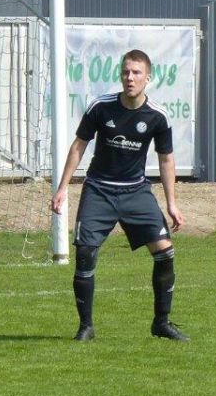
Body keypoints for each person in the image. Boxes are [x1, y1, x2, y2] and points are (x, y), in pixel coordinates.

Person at [50, 49, 187, 342]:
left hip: (136, 191)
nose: (130, 78)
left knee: (165, 252)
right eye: (126, 72)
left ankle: (161, 323)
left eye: (136, 73)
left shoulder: (158, 116)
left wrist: (172, 203)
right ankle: (86, 327)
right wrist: (62, 188)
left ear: (148, 77)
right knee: (85, 254)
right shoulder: (101, 107)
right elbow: (78, 146)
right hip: (99, 189)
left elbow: (166, 159)